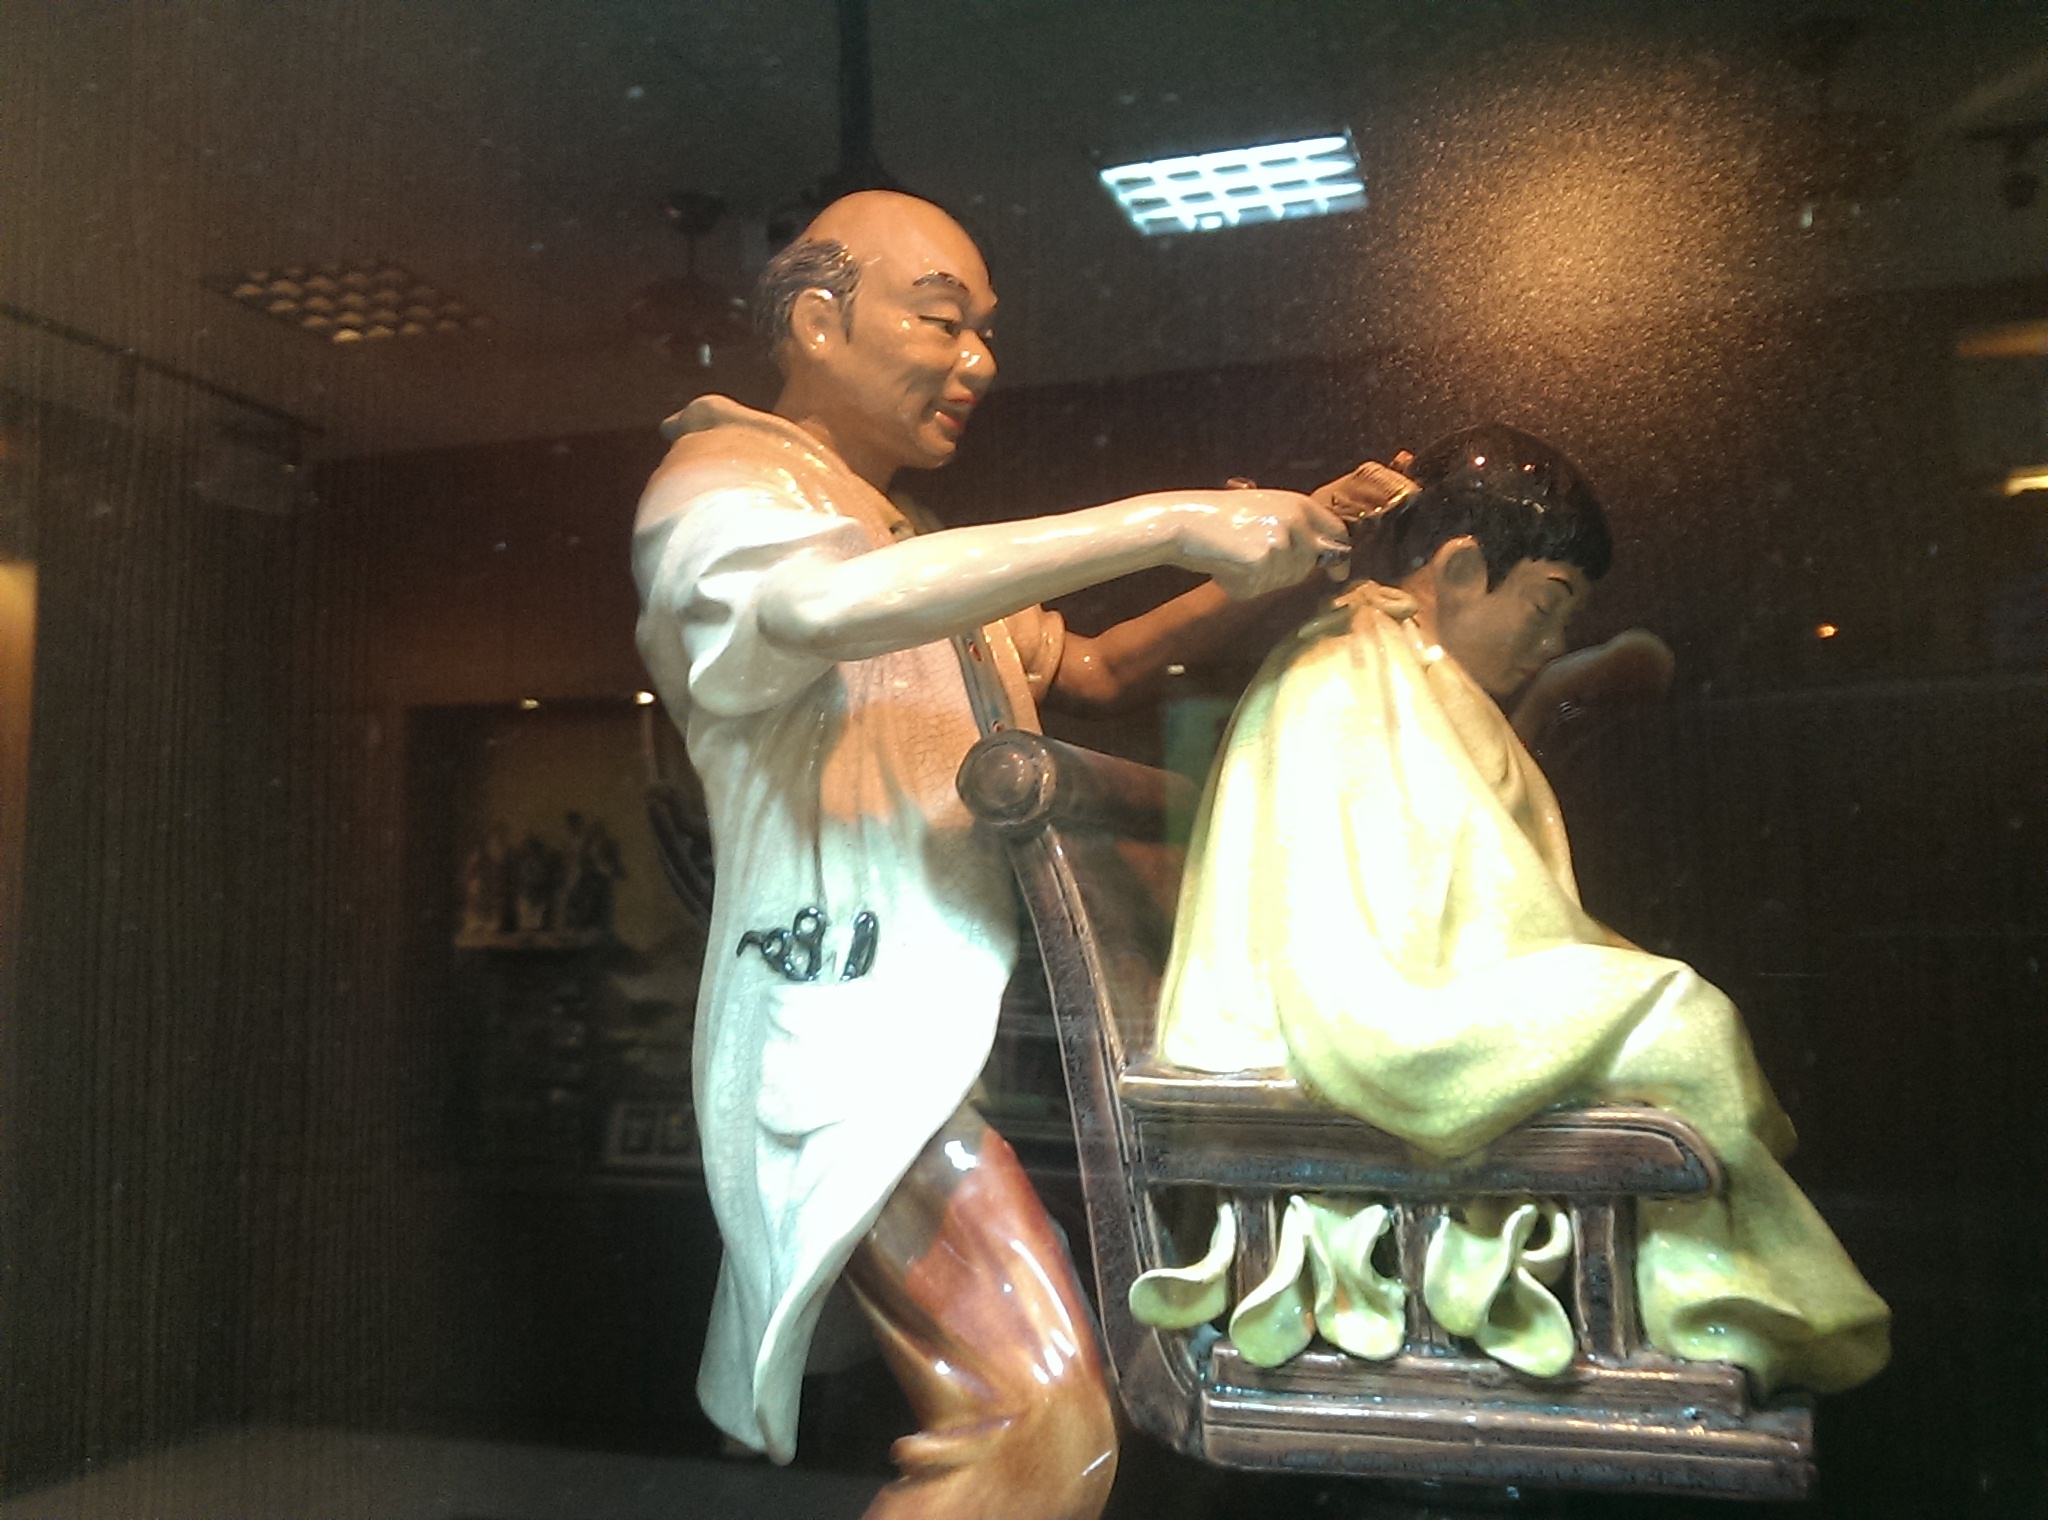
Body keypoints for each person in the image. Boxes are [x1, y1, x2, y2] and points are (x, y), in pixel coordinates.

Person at [631, 189, 1353, 1519]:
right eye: (941, 320)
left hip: (953, 1030)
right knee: (1043, 1425)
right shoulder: (722, 487)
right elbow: (813, 607)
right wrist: (1164, 519)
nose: (979, 362)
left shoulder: (898, 532)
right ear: (816, 322)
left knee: (1039, 1425)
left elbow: (1090, 666)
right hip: (835, 1026)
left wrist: (1275, 559)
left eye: (986, 331)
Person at [1152, 424, 1891, 1397]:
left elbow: (1476, 883)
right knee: (1678, 1017)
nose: (1553, 641)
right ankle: (1718, 1312)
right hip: (1362, 1012)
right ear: (1461, 569)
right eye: (1546, 604)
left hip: (1402, 984)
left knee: (1660, 1005)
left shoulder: (1408, 671)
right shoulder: (1345, 674)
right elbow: (1366, 940)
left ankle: (1712, 1307)